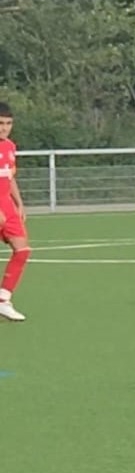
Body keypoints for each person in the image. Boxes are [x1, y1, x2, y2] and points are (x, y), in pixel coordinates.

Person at [0, 102, 30, 322]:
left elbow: (9, 178)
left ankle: (3, 300)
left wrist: (19, 203)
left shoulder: (10, 146)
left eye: (8, 123)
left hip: (7, 205)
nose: (4, 128)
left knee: (22, 250)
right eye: (0, 123)